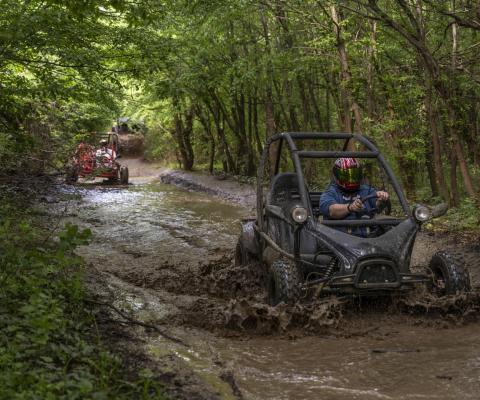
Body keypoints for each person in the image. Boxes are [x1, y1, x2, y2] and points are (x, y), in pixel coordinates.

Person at [319, 158, 389, 237]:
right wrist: (350, 207)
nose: (351, 179)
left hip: (368, 238)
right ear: (336, 176)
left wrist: (381, 198)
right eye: (346, 175)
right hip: (338, 240)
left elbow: (376, 205)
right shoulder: (330, 193)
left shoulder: (366, 190)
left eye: (354, 175)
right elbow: (332, 210)